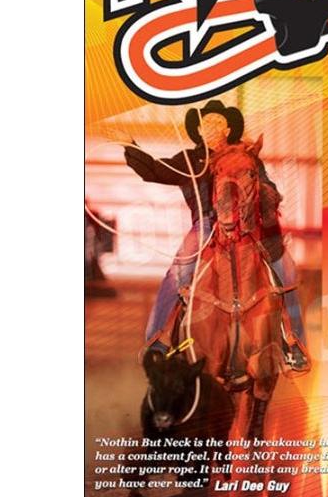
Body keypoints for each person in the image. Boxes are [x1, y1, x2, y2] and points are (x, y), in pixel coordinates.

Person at [124, 100, 309, 371]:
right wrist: (129, 145)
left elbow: (268, 187)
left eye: (217, 122)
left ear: (228, 129)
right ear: (198, 130)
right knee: (178, 273)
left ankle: (293, 342)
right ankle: (158, 341)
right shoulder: (189, 161)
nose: (211, 127)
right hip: (207, 225)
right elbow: (153, 170)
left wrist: (265, 198)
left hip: (249, 225)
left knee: (287, 271)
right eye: (206, 123)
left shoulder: (247, 157)